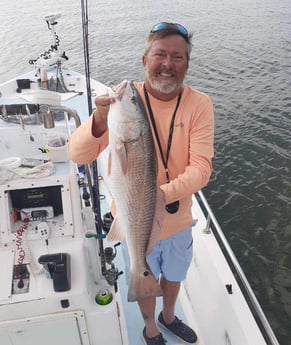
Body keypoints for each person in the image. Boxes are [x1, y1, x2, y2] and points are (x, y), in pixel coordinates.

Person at [68, 22, 214, 345]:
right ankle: (150, 326)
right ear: (144, 59)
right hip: (131, 220)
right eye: (160, 54)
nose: (167, 63)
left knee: (174, 274)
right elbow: (77, 154)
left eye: (177, 57)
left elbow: (201, 169)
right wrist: (99, 120)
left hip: (177, 222)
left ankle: (169, 316)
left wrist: (158, 195)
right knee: (141, 268)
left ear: (187, 65)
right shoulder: (122, 104)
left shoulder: (199, 105)